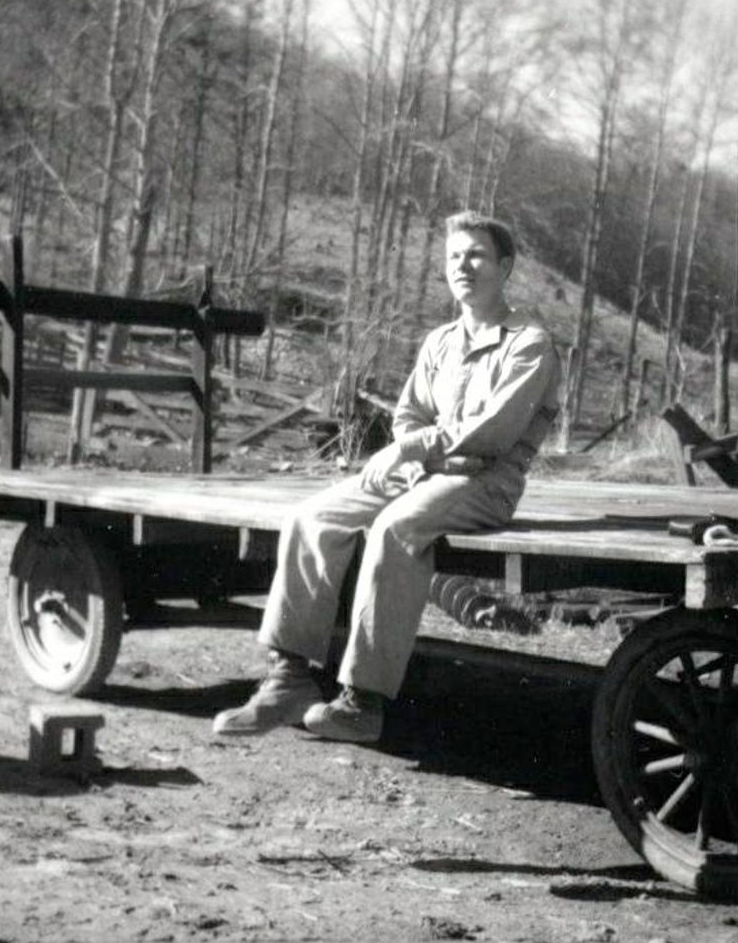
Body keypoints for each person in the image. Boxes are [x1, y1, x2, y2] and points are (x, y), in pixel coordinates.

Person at [212, 210, 561, 745]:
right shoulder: (440, 342)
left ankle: (362, 701)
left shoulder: (528, 343)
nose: (462, 266)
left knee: (395, 530)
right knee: (312, 517)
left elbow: (494, 432)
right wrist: (421, 449)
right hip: (429, 471)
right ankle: (289, 679)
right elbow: (408, 415)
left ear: (505, 266)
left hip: (487, 483)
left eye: (476, 255)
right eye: (453, 257)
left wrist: (418, 446)